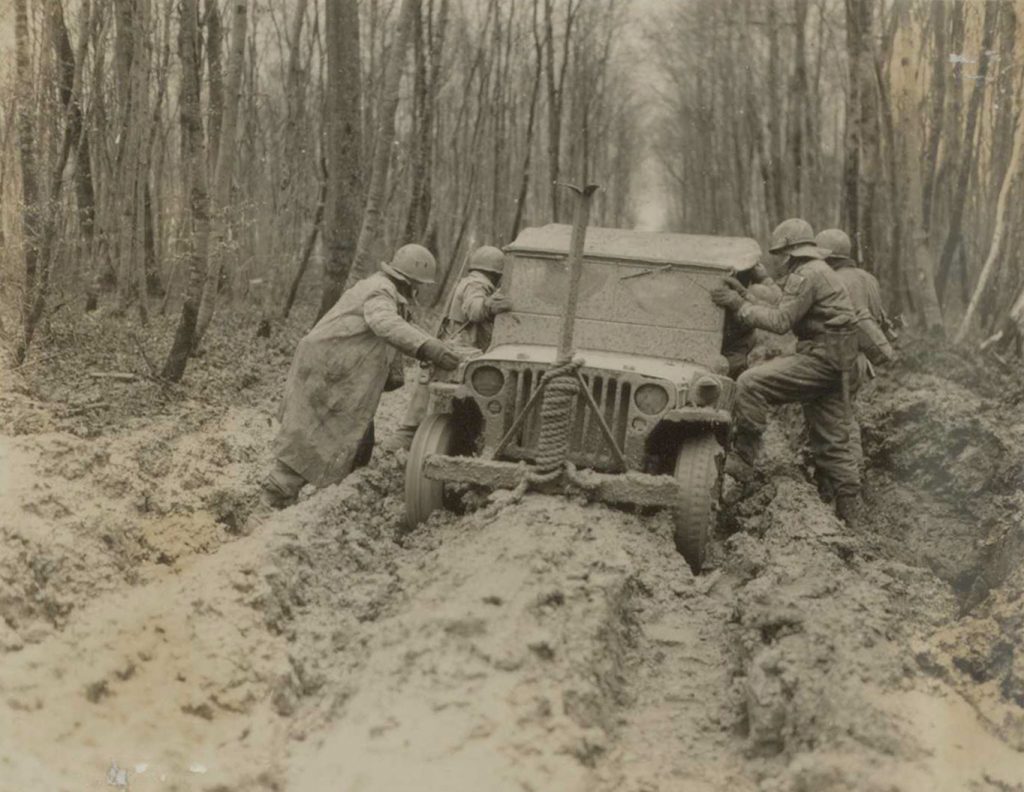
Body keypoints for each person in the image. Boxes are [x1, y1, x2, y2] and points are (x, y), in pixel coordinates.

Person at [263, 244, 462, 508]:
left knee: (358, 439)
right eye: (418, 285)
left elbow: (404, 325)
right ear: (409, 282)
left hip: (342, 373)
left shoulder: (387, 292)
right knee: (309, 439)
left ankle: (336, 499)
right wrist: (427, 347)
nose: (418, 291)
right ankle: (270, 504)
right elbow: (386, 324)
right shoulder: (380, 291)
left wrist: (432, 342)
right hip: (329, 372)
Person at [711, 218, 863, 526]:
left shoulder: (806, 274)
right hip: (838, 362)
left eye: (780, 255)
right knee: (833, 442)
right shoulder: (819, 271)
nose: (778, 262)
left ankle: (743, 458)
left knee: (750, 382)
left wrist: (739, 305)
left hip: (821, 359)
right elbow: (783, 300)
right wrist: (748, 290)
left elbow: (780, 321)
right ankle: (854, 516)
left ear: (791, 252)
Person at [393, 245, 513, 448]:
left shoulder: (468, 281)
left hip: (452, 349)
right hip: (460, 352)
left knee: (429, 402)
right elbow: (474, 309)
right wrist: (488, 306)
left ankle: (418, 442)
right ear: (496, 274)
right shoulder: (478, 284)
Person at [815, 228, 897, 479]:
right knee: (846, 414)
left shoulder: (833, 279)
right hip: (862, 360)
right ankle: (850, 471)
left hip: (842, 357)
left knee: (837, 420)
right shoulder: (867, 278)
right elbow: (878, 320)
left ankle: (846, 476)